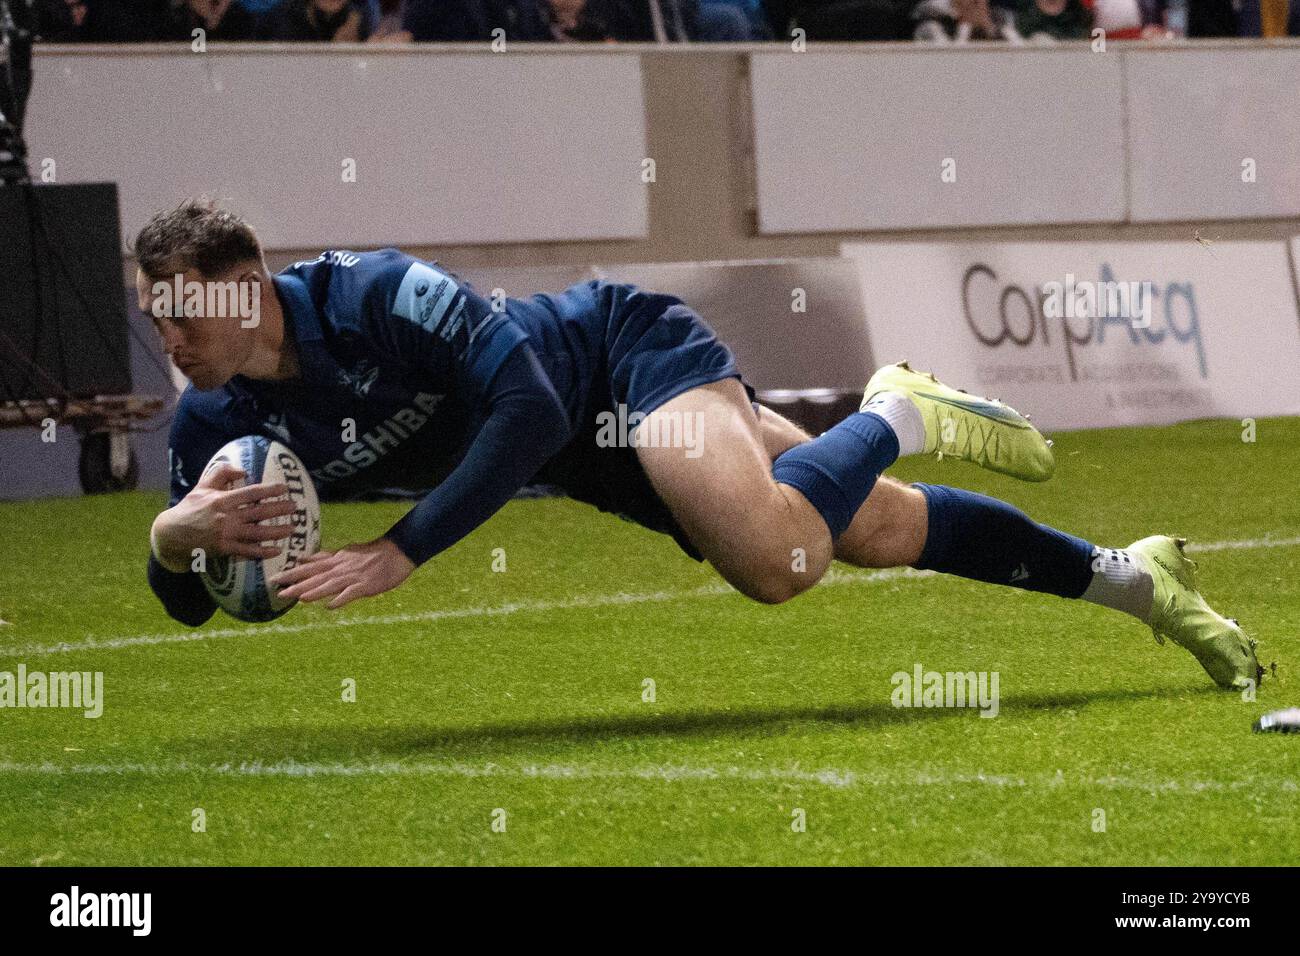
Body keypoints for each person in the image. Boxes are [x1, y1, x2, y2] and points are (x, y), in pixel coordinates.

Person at [138, 198, 1261, 692]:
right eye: (154, 319)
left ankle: (900, 409)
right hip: (580, 453)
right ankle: (1137, 583)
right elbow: (231, 595)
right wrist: (172, 537)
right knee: (862, 524)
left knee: (777, 561)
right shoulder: (216, 421)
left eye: (183, 312)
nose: (170, 339)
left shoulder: (375, 292)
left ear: (246, 287)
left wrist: (406, 545)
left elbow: (523, 406)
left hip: (614, 363)